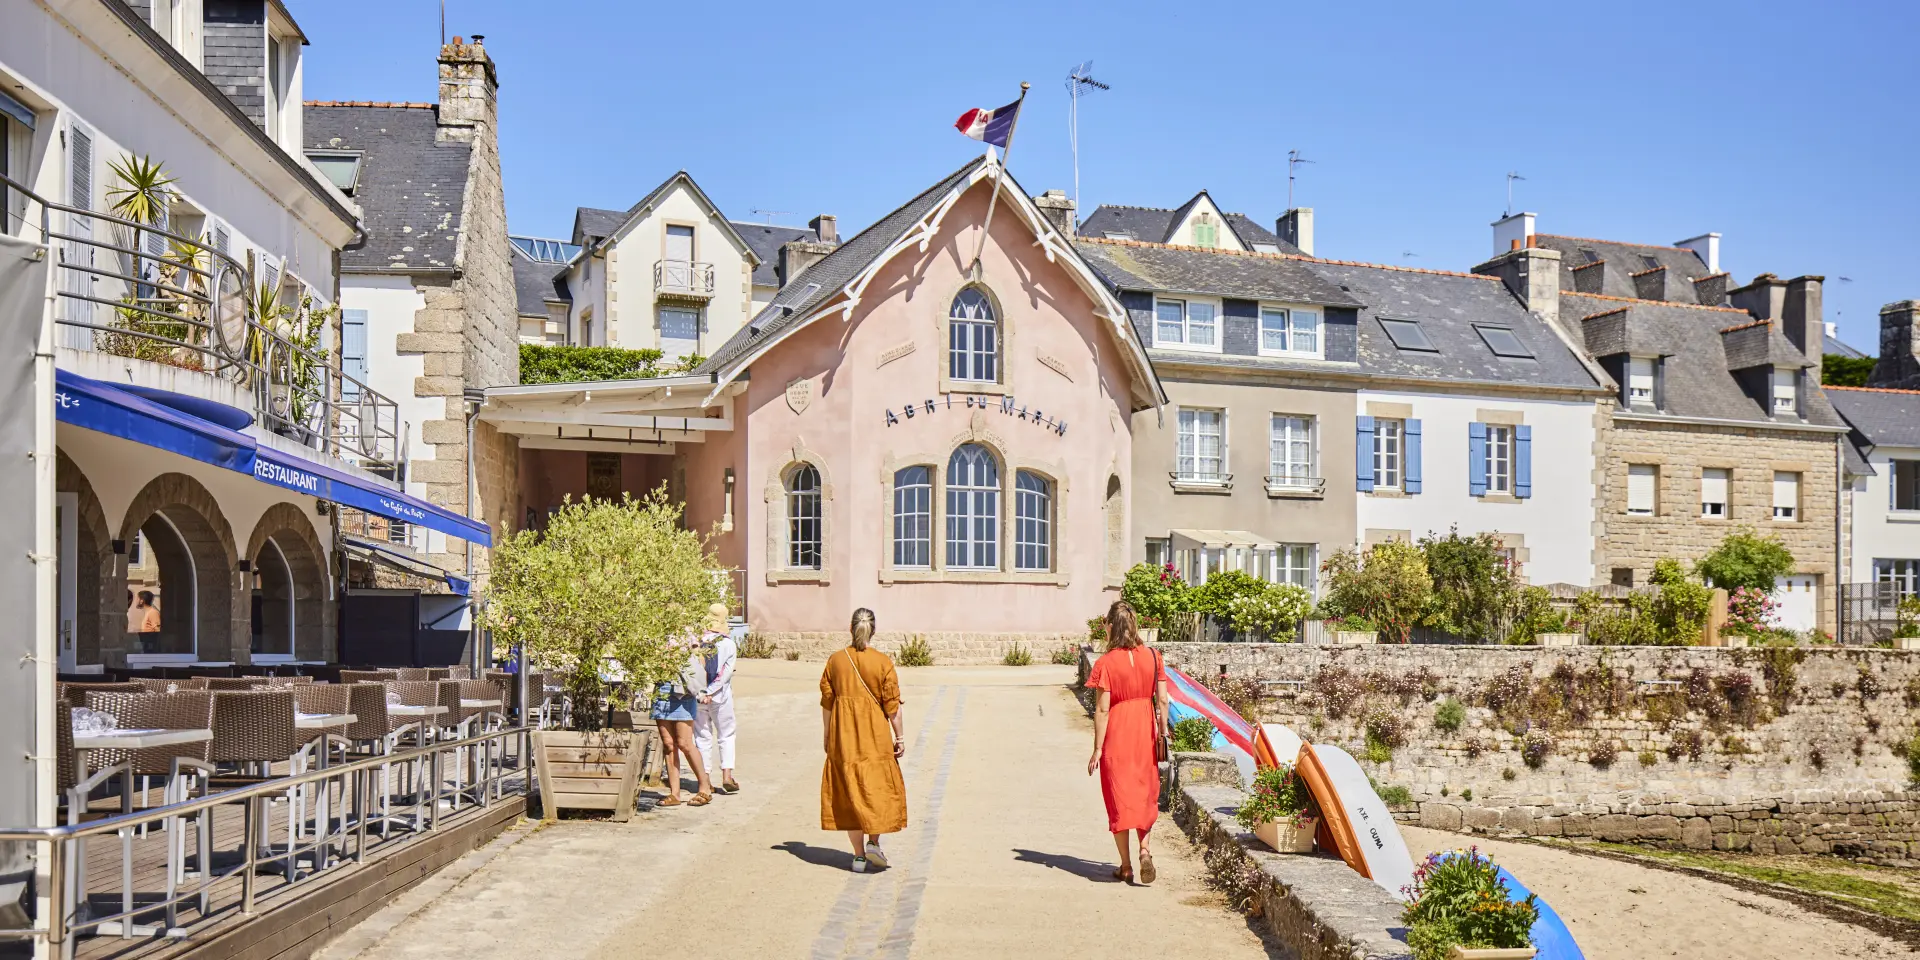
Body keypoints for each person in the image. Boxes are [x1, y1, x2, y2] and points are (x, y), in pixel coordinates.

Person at [1085, 599, 1169, 885]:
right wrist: (1162, 732)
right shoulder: (1154, 656)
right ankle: (1145, 850)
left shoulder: (1106, 663)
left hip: (1117, 735)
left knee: (1118, 797)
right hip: (1145, 733)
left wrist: (1097, 749)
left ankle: (1126, 866)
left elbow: (1102, 709)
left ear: (1110, 626)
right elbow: (1163, 700)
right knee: (1144, 793)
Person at [819, 608, 905, 872]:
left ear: (851, 628)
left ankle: (858, 856)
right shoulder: (882, 662)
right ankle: (873, 843)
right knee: (875, 789)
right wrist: (900, 737)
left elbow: (827, 703)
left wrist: (827, 735)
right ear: (873, 631)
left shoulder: (835, 661)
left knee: (849, 792)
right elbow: (892, 706)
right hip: (875, 737)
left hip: (843, 737)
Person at [651, 630, 713, 807]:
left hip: (683, 690)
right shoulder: (653, 631)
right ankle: (675, 794)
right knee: (668, 744)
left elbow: (699, 658)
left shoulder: (684, 631)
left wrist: (701, 688)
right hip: (662, 689)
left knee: (685, 743)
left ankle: (705, 787)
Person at [695, 602, 741, 794]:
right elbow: (725, 674)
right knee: (726, 733)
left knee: (702, 736)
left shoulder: (697, 642)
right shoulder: (728, 644)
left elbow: (693, 670)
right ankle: (727, 775)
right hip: (720, 696)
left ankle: (705, 779)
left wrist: (702, 692)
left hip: (699, 697)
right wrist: (712, 691)